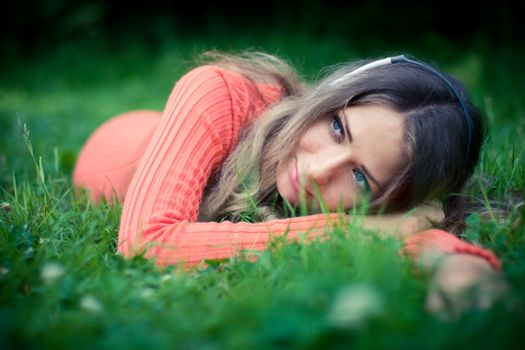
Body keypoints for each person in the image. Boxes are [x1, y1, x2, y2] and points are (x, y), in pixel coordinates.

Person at [73, 51, 504, 315]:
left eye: (359, 176)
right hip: (116, 144)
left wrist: (461, 268)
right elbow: (149, 243)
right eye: (337, 128)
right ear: (333, 93)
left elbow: (417, 228)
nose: (319, 172)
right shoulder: (218, 92)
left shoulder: (379, 207)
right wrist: (351, 229)